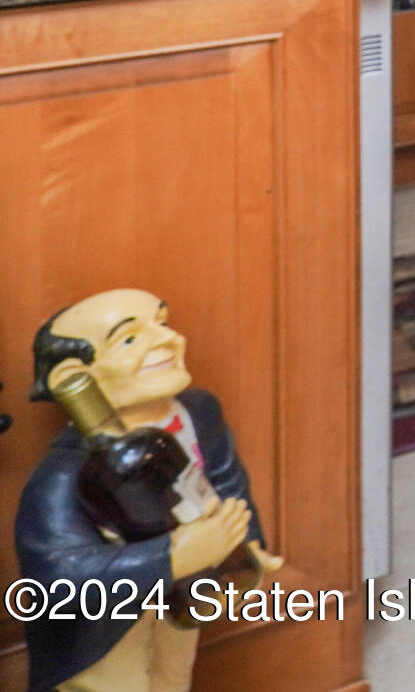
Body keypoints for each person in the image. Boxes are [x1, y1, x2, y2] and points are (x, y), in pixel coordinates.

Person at [14, 290, 278, 692]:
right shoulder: (62, 478)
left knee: (173, 674)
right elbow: (58, 577)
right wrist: (169, 559)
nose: (167, 340)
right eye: (130, 339)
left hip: (186, 594)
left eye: (164, 324)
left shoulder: (199, 412)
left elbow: (226, 480)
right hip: (107, 626)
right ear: (73, 378)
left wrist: (246, 544)